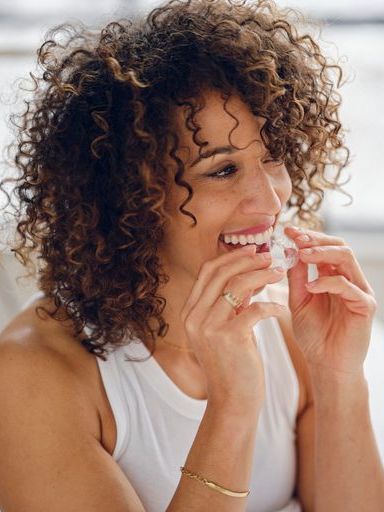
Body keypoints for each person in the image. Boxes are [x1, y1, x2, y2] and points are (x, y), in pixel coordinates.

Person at [0, 0, 383, 511]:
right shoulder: (31, 376)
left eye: (274, 157)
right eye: (222, 170)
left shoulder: (290, 326)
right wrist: (233, 403)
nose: (271, 201)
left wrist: (339, 377)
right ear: (130, 197)